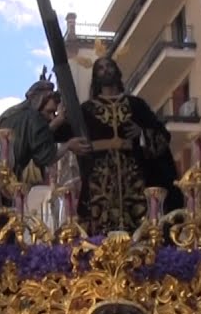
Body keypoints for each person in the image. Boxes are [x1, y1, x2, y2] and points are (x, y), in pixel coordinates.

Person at [72, 57, 184, 234]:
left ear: (117, 70)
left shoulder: (136, 105)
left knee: (141, 226)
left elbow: (162, 136)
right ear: (95, 76)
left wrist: (142, 134)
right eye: (100, 68)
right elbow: (65, 135)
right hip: (100, 180)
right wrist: (70, 143)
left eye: (109, 66)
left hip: (134, 176)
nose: (106, 70)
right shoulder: (86, 110)